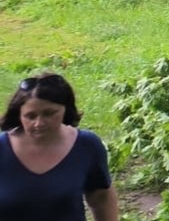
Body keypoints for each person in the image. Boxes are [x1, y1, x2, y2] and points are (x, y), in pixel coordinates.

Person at [0, 73, 118, 221]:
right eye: (30, 116)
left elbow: (101, 198)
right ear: (18, 115)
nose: (39, 123)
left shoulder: (87, 146)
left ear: (65, 109)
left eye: (49, 114)